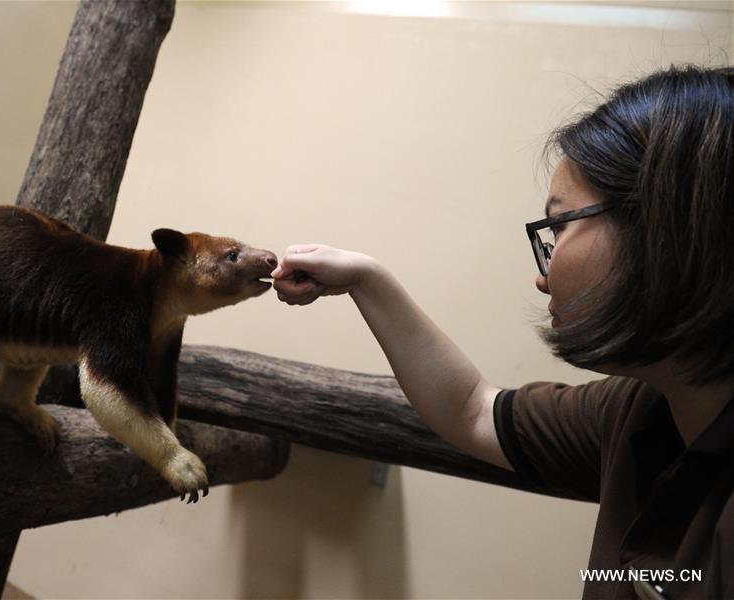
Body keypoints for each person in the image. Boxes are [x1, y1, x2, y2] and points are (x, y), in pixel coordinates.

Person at [271, 65, 733, 599]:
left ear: (667, 229)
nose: (544, 272)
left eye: (559, 227)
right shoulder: (641, 411)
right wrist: (365, 279)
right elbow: (472, 409)